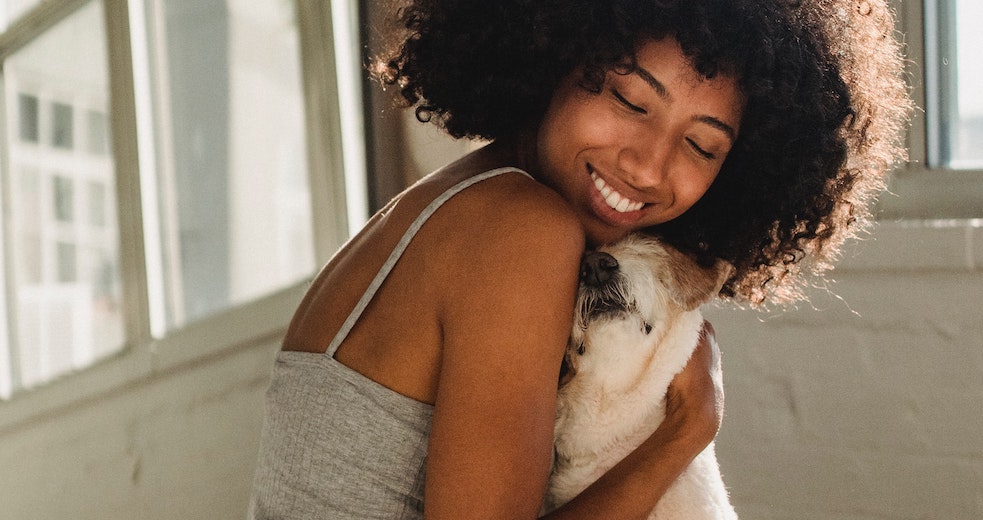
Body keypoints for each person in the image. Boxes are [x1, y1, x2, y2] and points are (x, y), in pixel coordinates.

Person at [248, 0, 910, 518]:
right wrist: (683, 432)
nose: (648, 167)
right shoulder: (519, 229)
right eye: (629, 101)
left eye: (701, 147)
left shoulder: (454, 204)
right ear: (558, 53)